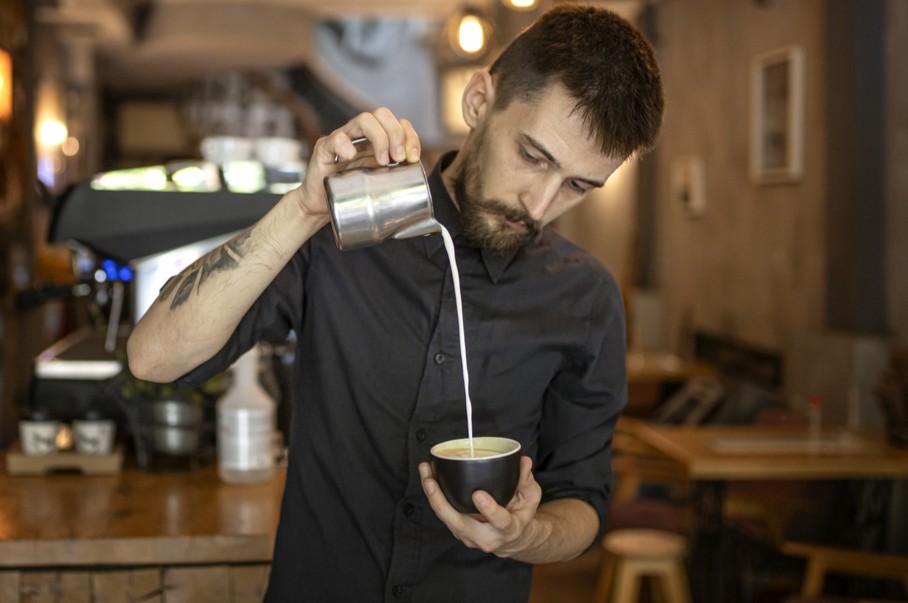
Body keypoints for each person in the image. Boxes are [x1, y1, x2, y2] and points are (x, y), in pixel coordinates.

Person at [127, 3, 664, 601]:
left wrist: (526, 535)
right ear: (480, 101)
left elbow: (583, 502)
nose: (538, 206)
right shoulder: (344, 231)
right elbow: (154, 359)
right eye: (534, 157)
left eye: (577, 186)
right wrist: (303, 209)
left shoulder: (585, 297)